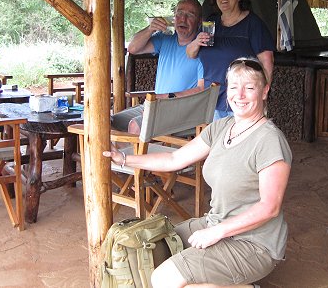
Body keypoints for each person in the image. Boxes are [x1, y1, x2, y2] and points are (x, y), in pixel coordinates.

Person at [103, 57, 292, 288]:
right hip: (215, 223)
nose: (239, 95)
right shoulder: (222, 127)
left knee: (164, 278)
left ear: (264, 92)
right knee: (152, 247)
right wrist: (123, 158)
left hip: (254, 244)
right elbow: (174, 158)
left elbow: (269, 207)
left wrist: (217, 232)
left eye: (249, 88)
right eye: (234, 87)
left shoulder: (269, 140)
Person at [186, 0, 275, 120]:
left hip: (241, 100)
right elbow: (190, 53)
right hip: (211, 100)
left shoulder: (252, 24)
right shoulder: (211, 23)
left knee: (239, 141)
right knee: (216, 141)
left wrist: (263, 93)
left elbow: (267, 61)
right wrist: (196, 41)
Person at [112, 0, 204, 133]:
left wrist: (169, 96)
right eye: (179, 13)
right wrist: (150, 29)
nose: (183, 19)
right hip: (155, 105)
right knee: (112, 122)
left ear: (199, 21)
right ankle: (125, 154)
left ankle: (131, 155)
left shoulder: (203, 48)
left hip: (181, 110)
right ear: (174, 17)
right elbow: (133, 48)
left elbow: (201, 89)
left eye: (190, 15)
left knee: (135, 126)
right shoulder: (165, 40)